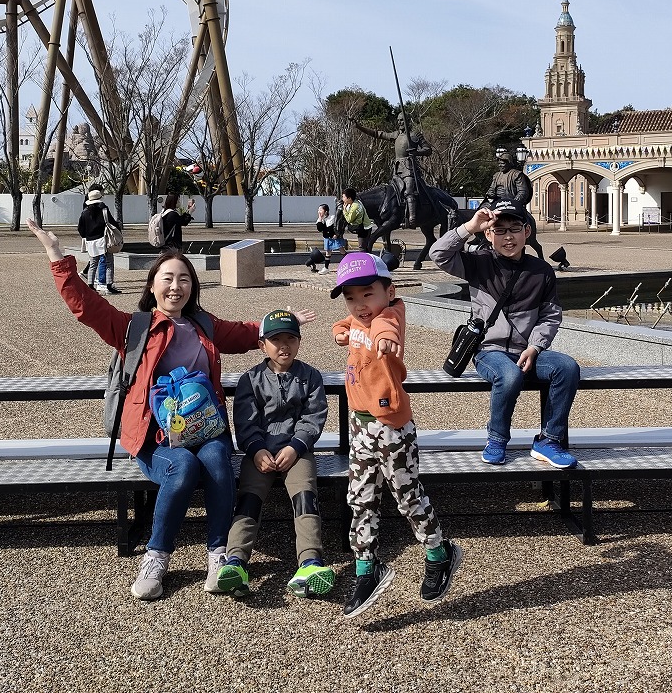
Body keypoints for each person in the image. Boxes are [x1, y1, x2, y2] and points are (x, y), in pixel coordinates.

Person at [25, 218, 315, 601]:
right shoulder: (134, 328)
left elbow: (246, 333)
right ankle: (156, 555)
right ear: (152, 285)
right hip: (154, 438)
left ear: (192, 287)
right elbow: (87, 308)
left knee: (215, 460)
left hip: (205, 431)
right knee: (183, 467)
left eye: (184, 279)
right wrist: (57, 257)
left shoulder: (204, 326)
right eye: (167, 278)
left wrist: (283, 321)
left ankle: (219, 554)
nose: (176, 286)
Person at [330, 251, 461, 617]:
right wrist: (341, 329)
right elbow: (348, 323)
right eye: (350, 297)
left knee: (407, 497)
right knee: (359, 499)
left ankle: (439, 553)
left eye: (367, 294)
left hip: (390, 427)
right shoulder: (360, 317)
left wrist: (385, 339)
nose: (359, 305)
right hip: (359, 425)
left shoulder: (388, 316)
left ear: (390, 291)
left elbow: (386, 327)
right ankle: (366, 570)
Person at [430, 200, 580, 469]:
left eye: (515, 229)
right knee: (508, 375)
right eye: (500, 230)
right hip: (490, 351)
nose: (508, 237)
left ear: (527, 232)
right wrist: (469, 227)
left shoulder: (541, 271)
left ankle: (549, 440)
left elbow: (550, 314)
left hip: (527, 351)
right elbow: (438, 253)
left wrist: (535, 347)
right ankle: (497, 438)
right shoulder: (477, 262)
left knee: (567, 367)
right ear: (489, 234)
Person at [216, 309, 334, 599]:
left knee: (305, 496)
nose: (284, 346)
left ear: (299, 341)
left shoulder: (310, 376)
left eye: (290, 339)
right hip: (260, 454)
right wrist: (255, 450)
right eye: (275, 339)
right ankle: (236, 561)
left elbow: (314, 416)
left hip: (297, 452)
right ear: (262, 345)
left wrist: (297, 446)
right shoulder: (252, 379)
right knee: (248, 499)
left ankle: (310, 561)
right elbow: (245, 421)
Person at [351, 111, 432, 227]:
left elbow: (428, 150)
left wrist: (416, 152)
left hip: (409, 169)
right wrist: (359, 127)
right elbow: (377, 134)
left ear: (407, 121)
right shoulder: (396, 135)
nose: (400, 123)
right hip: (397, 169)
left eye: (402, 120)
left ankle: (412, 219)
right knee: (391, 193)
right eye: (398, 120)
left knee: (409, 192)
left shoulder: (415, 135)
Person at [483, 152, 544, 259]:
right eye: (499, 163)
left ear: (509, 163)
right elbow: (491, 189)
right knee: (482, 212)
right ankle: (480, 235)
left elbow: (523, 192)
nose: (500, 165)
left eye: (503, 163)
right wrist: (490, 194)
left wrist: (514, 204)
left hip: (513, 205)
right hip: (497, 204)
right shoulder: (496, 176)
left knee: (521, 219)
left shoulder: (517, 175)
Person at [78, 186, 121, 294]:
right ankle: (109, 286)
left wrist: (86, 236)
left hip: (90, 241)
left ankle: (90, 285)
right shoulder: (103, 209)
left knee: (93, 264)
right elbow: (111, 222)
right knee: (109, 263)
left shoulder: (85, 212)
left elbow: (80, 228)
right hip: (103, 240)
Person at [309, 203, 347, 273]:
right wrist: (320, 219)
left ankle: (349, 262)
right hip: (327, 238)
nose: (319, 211)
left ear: (326, 211)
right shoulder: (320, 219)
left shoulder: (332, 218)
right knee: (328, 252)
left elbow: (338, 227)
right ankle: (326, 268)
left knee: (342, 250)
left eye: (320, 210)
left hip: (335, 238)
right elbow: (319, 229)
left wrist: (336, 234)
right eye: (318, 210)